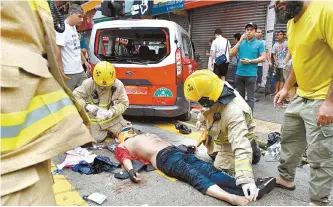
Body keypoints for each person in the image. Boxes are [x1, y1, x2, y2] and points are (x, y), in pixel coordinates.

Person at [1, 1, 94, 205]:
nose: (84, 20)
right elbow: (54, 53)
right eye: (81, 17)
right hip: (13, 164)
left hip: (32, 149)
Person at [114, 128, 276, 206]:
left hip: (176, 152)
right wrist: (130, 171)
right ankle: (232, 198)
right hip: (164, 158)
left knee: (208, 170)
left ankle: (246, 188)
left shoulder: (143, 135)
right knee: (196, 176)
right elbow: (124, 158)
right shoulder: (123, 144)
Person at [274, 0, 333, 205]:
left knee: (320, 153)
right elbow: (299, 60)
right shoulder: (291, 21)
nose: (278, 2)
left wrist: (330, 102)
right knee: (289, 139)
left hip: (324, 96)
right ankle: (285, 178)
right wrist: (286, 88)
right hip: (301, 95)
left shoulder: (326, 10)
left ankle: (318, 201)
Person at [184, 70, 263, 201]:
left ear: (207, 99)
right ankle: (249, 152)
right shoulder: (215, 89)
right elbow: (207, 110)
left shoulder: (233, 112)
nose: (197, 104)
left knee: (219, 172)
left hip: (236, 138)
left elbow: (240, 143)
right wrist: (200, 120)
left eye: (198, 101)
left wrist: (246, 179)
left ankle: (253, 152)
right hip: (223, 134)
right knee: (212, 154)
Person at [73, 61, 131, 143]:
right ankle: (109, 133)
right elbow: (75, 96)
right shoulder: (88, 84)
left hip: (112, 119)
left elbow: (124, 103)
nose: (103, 87)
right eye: (100, 85)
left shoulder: (118, 85)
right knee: (95, 139)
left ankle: (114, 131)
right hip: (95, 119)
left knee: (127, 135)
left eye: (107, 86)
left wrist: (112, 111)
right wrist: (86, 106)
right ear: (94, 78)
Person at [229, 23, 266, 112]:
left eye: (251, 30)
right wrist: (240, 40)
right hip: (239, 74)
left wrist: (250, 61)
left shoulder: (260, 43)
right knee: (239, 98)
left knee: (250, 98)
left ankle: (249, 119)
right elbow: (230, 53)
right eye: (247, 30)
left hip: (251, 75)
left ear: (255, 31)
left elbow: (263, 57)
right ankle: (241, 117)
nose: (249, 31)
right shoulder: (242, 42)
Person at [56, 4, 90, 91]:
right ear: (71, 14)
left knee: (88, 93)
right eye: (79, 16)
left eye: (82, 17)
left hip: (80, 70)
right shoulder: (62, 28)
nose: (82, 20)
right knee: (68, 97)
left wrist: (85, 61)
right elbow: (57, 49)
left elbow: (76, 47)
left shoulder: (73, 27)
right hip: (69, 72)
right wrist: (61, 70)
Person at [272, 30, 288, 95]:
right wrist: (275, 61)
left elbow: (290, 52)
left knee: (282, 78)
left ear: (284, 35)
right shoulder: (275, 45)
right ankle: (276, 91)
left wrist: (286, 62)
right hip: (277, 64)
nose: (279, 36)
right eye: (278, 35)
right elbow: (273, 54)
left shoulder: (287, 43)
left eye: (281, 34)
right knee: (277, 78)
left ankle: (280, 91)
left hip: (284, 64)